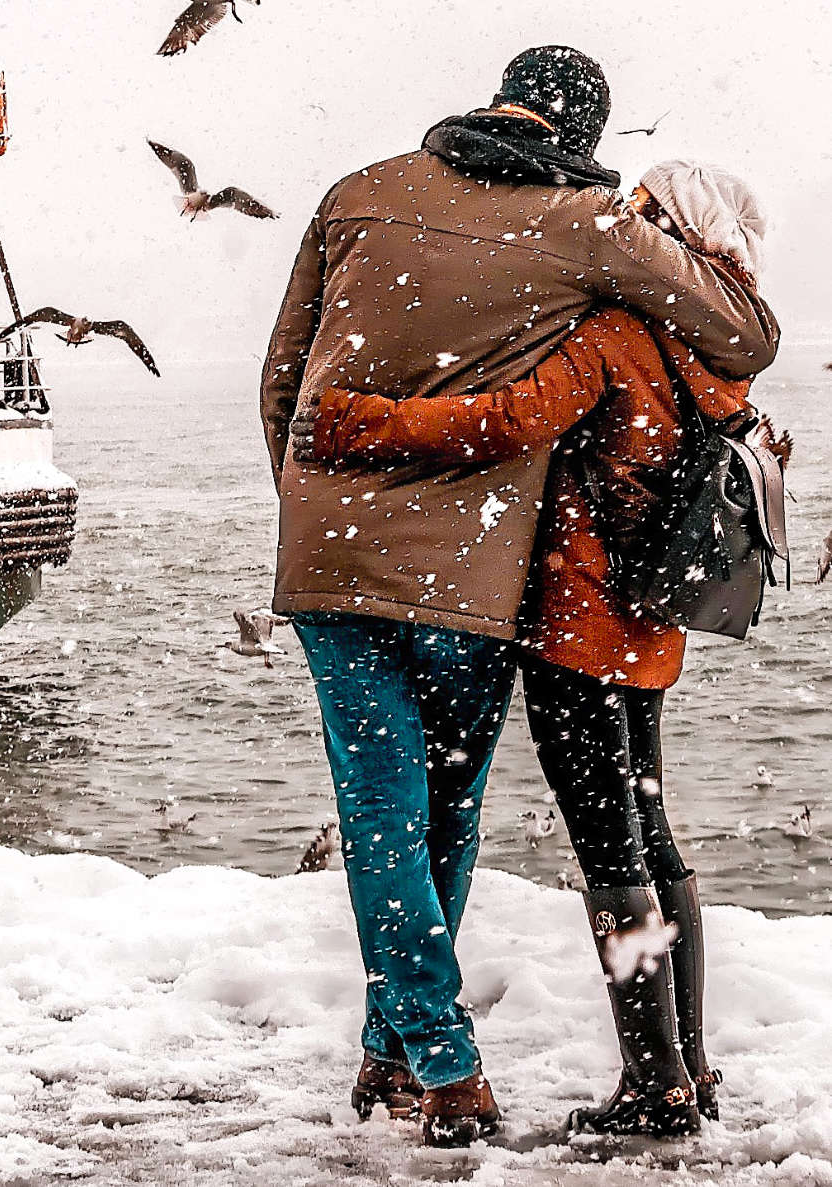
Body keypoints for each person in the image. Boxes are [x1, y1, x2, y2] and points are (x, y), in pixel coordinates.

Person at [261, 44, 778, 1148]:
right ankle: (675, 1062)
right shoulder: (696, 348)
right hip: (637, 624)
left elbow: (505, 417)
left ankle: (642, 1075)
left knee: (595, 851)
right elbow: (744, 339)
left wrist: (354, 437)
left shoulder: (599, 329)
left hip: (569, 618)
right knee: (647, 834)